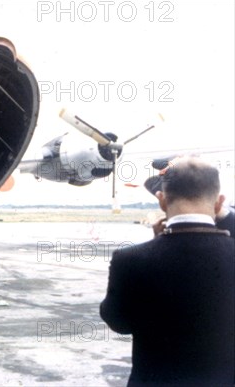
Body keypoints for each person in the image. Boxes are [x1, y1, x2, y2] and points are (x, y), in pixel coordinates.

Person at [100, 157, 234, 385]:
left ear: (162, 201)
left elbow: (119, 323)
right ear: (220, 202)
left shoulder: (130, 260)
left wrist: (156, 244)